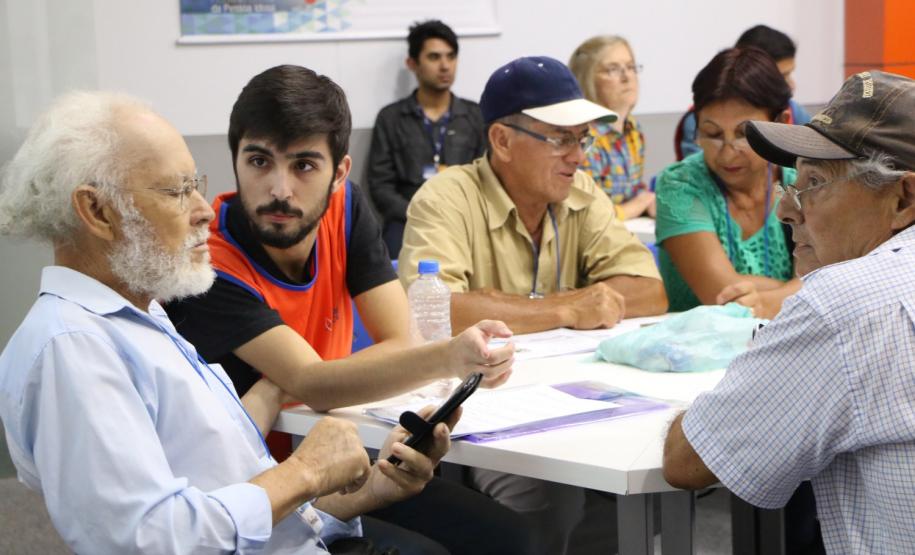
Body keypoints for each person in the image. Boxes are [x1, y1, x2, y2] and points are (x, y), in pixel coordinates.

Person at [0, 90, 456, 554]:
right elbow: (148, 542)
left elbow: (238, 512)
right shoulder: (73, 347)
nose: (202, 210)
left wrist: (372, 489)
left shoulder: (143, 316)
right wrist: (306, 472)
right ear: (97, 212)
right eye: (176, 191)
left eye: (194, 184)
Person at [163, 64, 533, 555]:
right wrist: (450, 356)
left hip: (350, 460)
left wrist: (291, 378)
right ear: (235, 161)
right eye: (258, 162)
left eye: (304, 166)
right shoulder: (207, 263)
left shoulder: (346, 209)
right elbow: (316, 384)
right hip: (257, 493)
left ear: (339, 173)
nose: (279, 189)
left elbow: (397, 341)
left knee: (512, 538)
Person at [398, 55, 667, 554]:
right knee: (543, 494)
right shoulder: (446, 198)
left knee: (656, 457)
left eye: (582, 139)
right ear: (501, 141)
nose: (578, 157)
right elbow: (438, 309)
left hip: (566, 395)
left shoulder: (578, 193)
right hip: (478, 412)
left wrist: (529, 307)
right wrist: (567, 309)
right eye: (561, 139)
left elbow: (648, 290)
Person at [663, 70, 915, 553]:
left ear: (903, 199)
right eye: (794, 182)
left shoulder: (846, 304)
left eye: (815, 183)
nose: (787, 209)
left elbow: (688, 460)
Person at [655, 48, 801, 318]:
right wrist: (793, 290)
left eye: (744, 134)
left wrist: (760, 298)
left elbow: (828, 286)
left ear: (782, 123)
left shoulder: (803, 184)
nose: (727, 151)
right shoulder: (680, 185)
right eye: (712, 134)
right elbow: (724, 299)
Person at [367, 19, 486, 257]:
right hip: (407, 219)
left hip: (464, 218)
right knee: (391, 262)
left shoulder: (475, 115)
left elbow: (487, 177)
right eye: (434, 57)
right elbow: (380, 186)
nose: (445, 66)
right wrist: (418, 211)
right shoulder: (391, 118)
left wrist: (460, 213)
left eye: (451, 56)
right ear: (412, 63)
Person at [676, 24, 811, 160]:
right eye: (714, 135)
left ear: (781, 120)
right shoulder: (696, 121)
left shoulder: (793, 112)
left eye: (744, 134)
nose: (728, 156)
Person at [569, 35, 655, 219]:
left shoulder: (633, 129)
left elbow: (634, 191)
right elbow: (586, 214)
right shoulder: (584, 138)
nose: (627, 77)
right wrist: (639, 204)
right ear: (587, 79)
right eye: (613, 69)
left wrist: (651, 203)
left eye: (631, 67)